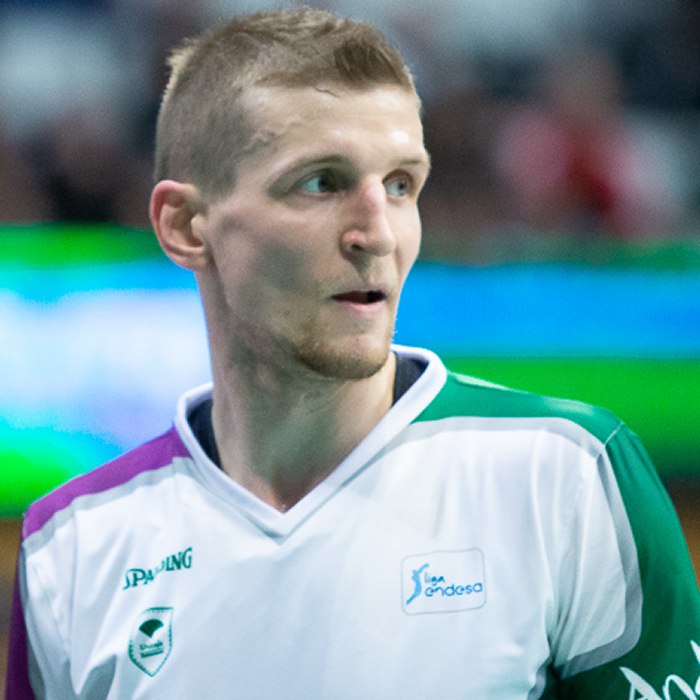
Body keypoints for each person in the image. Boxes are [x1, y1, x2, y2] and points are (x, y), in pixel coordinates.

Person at [7, 9, 699, 699]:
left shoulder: (572, 476)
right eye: (321, 183)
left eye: (401, 184)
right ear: (186, 225)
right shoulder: (68, 549)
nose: (379, 233)